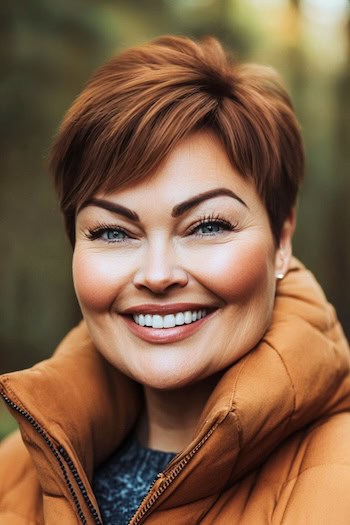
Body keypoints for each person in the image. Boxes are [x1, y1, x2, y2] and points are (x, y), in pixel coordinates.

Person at [0, 35, 349, 525]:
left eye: (208, 226)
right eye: (113, 232)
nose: (158, 275)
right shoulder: (10, 474)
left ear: (282, 239)